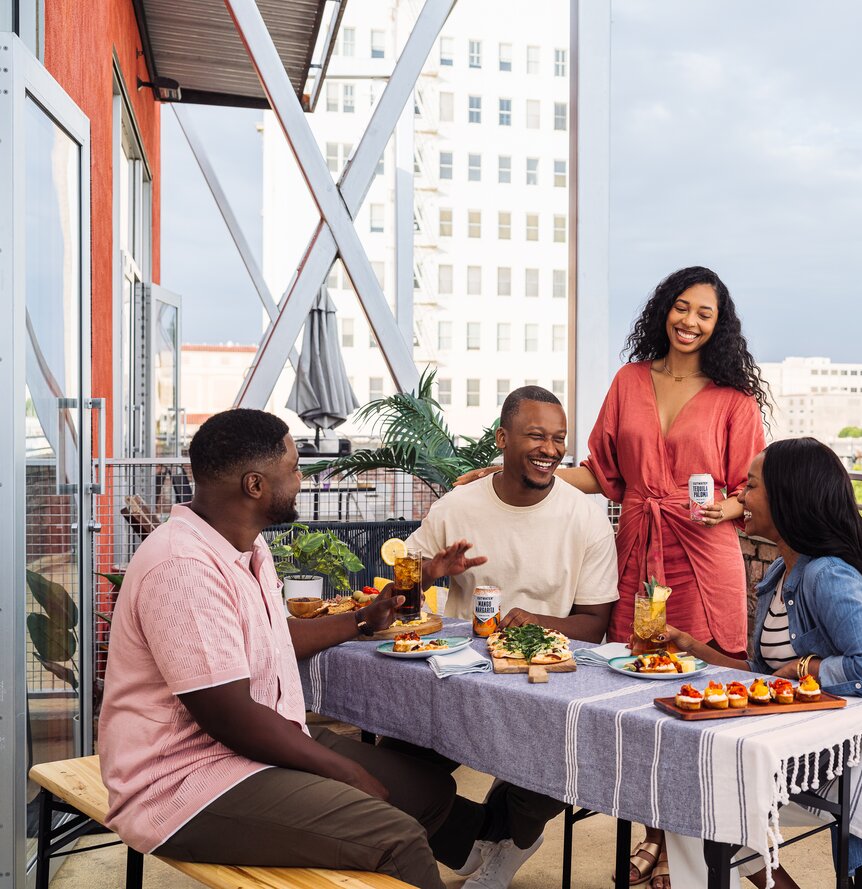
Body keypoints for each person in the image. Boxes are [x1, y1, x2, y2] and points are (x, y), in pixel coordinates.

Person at [458, 267, 769, 887]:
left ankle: (712, 845)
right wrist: (500, 472)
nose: (689, 322)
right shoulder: (628, 382)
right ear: (663, 311)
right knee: (637, 692)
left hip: (705, 555)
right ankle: (655, 838)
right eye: (681, 308)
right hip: (638, 550)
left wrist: (729, 507)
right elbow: (602, 475)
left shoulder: (735, 401)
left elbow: (753, 490)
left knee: (704, 692)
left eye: (703, 314)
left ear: (718, 325)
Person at [99, 409, 489, 889]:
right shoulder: (183, 566)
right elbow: (227, 714)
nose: (302, 479)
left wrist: (364, 619)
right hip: (186, 784)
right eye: (294, 467)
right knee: (397, 837)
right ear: (255, 485)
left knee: (427, 791)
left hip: (250, 746)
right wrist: (343, 772)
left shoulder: (245, 547)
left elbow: (272, 633)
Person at [658, 437, 862, 889]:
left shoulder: (828, 575)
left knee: (695, 789)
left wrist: (811, 669)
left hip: (852, 765)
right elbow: (768, 680)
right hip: (798, 752)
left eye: (752, 485)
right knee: (684, 782)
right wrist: (689, 646)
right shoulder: (777, 577)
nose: (740, 496)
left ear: (789, 497)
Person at [393, 385, 619, 888]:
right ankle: (481, 838)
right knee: (389, 770)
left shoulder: (585, 515)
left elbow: (593, 625)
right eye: (536, 435)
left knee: (567, 748)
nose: (550, 449)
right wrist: (430, 570)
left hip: (543, 683)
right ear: (503, 437)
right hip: (458, 678)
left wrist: (537, 622)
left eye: (559, 438)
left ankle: (509, 841)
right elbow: (399, 585)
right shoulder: (458, 506)